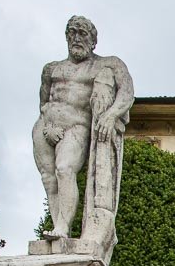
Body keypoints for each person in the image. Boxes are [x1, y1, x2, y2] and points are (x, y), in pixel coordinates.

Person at [33, 16, 134, 242]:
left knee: (64, 169)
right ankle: (60, 229)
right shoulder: (51, 69)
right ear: (67, 36)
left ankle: (62, 225)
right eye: (72, 33)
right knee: (49, 179)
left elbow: (127, 93)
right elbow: (43, 101)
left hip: (77, 126)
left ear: (93, 41)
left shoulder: (108, 64)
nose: (77, 38)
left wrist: (110, 115)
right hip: (45, 126)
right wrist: (47, 124)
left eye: (83, 33)